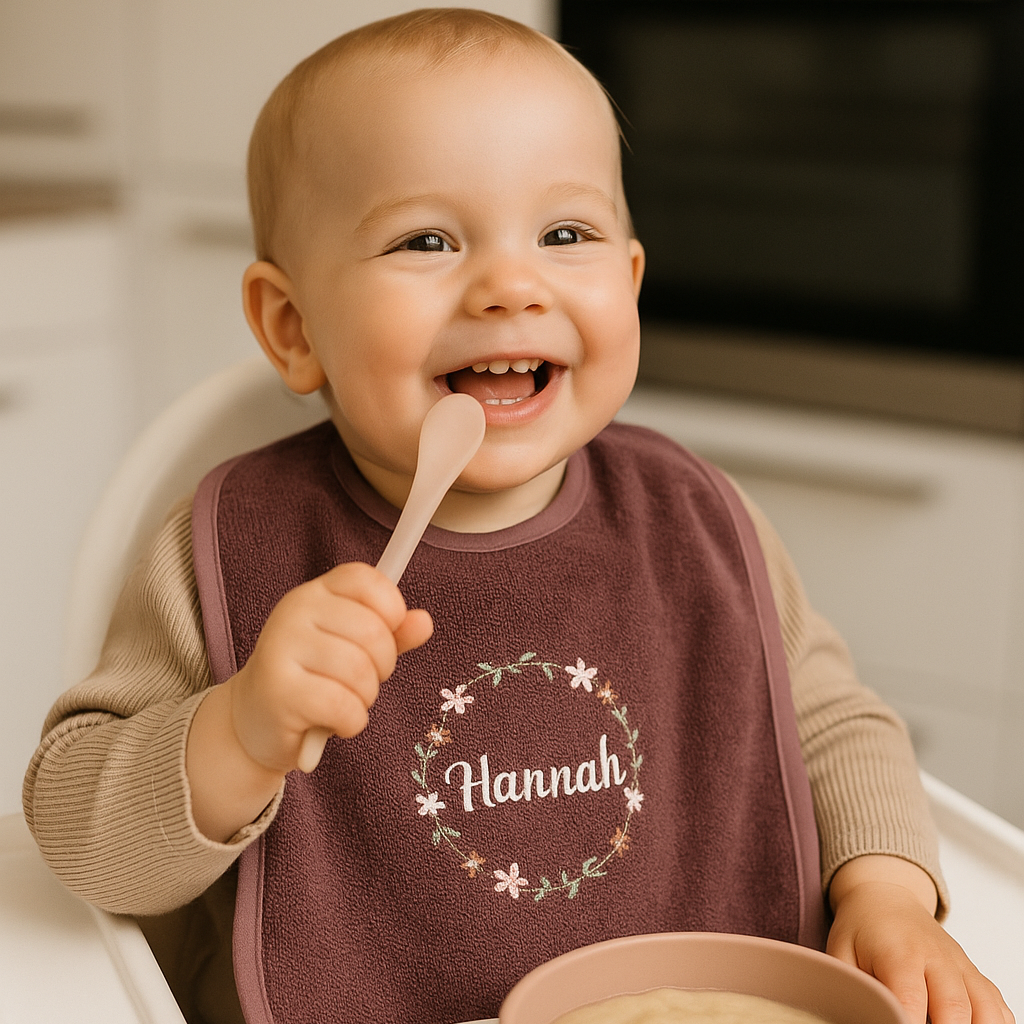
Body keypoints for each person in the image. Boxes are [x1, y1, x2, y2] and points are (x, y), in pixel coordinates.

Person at [23, 9, 1013, 1024]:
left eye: (564, 234)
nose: (509, 284)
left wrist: (888, 893)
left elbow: (830, 727)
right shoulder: (233, 550)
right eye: (426, 240)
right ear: (293, 326)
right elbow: (75, 830)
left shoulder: (695, 521)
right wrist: (236, 732)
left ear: (628, 281)